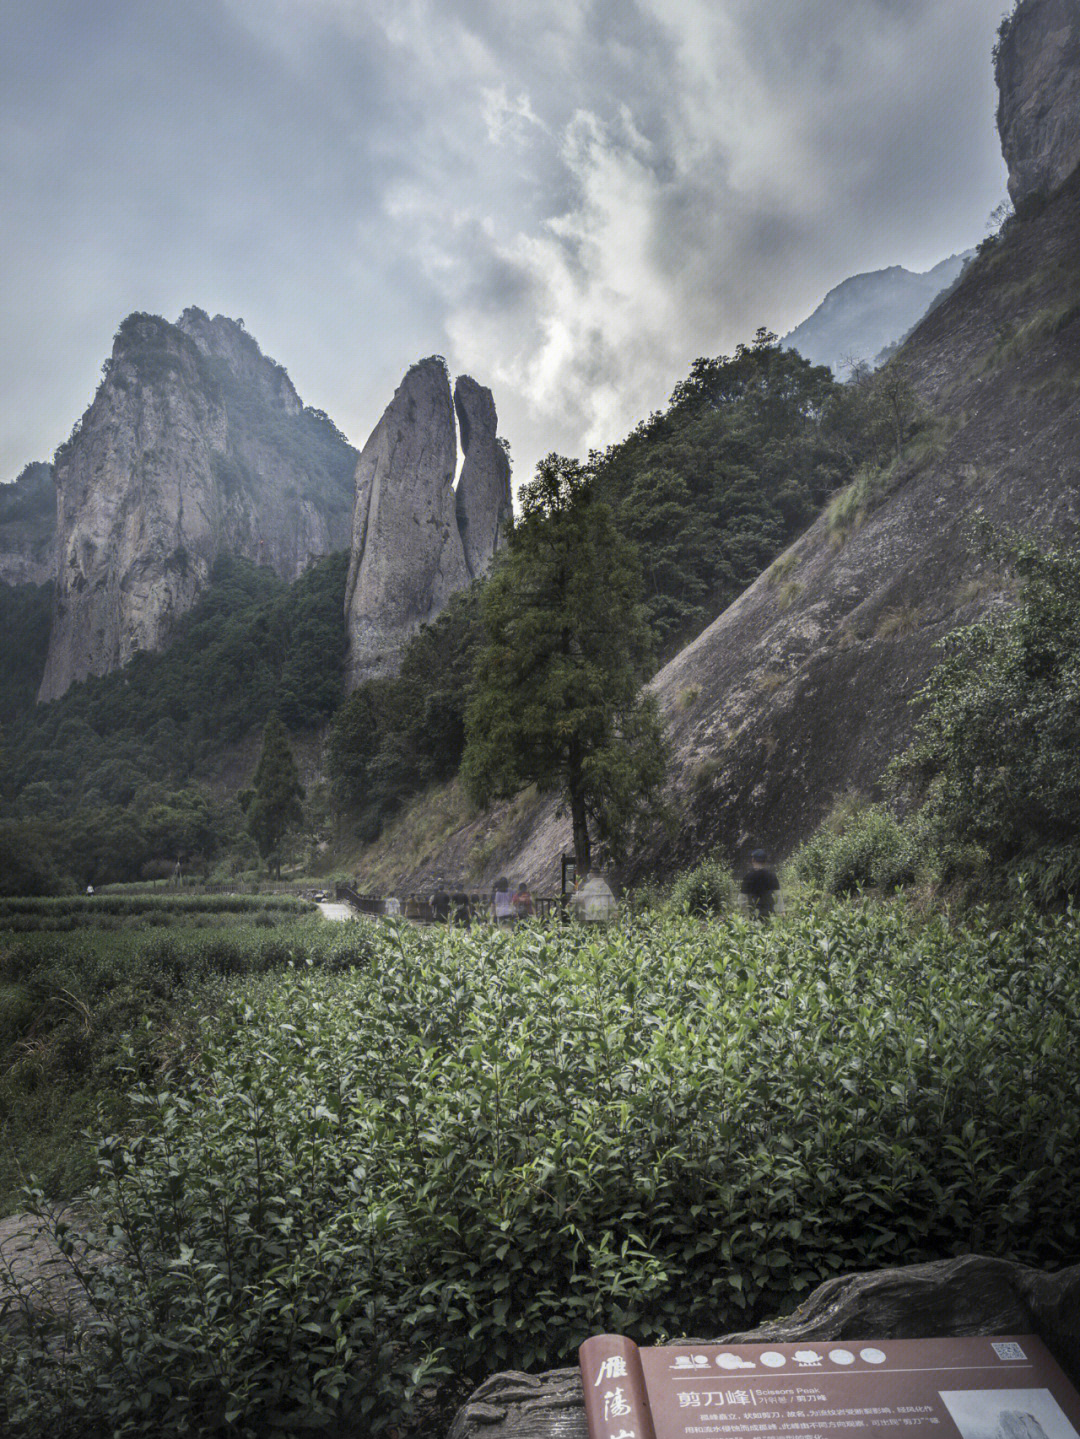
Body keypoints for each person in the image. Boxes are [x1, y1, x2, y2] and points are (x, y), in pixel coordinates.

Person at [741, 849, 779, 919]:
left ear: (753, 860)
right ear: (765, 862)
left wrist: (744, 914)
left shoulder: (748, 877)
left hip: (753, 915)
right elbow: (778, 896)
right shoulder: (772, 876)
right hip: (769, 915)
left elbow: (742, 898)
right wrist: (782, 912)